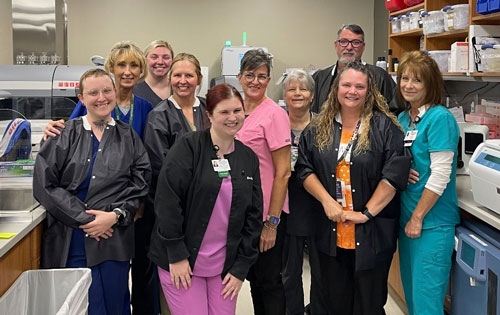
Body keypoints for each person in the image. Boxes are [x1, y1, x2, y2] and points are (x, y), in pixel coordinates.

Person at [33, 68, 151, 315]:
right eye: (93, 92)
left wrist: (115, 215)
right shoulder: (63, 134)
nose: (101, 97)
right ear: (81, 98)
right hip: (72, 238)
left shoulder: (128, 136)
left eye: (107, 90)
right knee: (80, 305)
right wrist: (88, 220)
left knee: (115, 303)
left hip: (114, 238)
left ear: (115, 92)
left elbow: (140, 182)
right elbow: (45, 185)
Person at [295, 61, 410, 315]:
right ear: (336, 88)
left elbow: (393, 175)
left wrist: (366, 213)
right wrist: (327, 202)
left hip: (371, 234)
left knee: (368, 304)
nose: (352, 91)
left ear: (369, 91)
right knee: (330, 301)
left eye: (360, 86)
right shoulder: (317, 129)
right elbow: (305, 168)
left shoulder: (385, 128)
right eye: (347, 84)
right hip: (329, 232)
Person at [148, 83, 263, 315]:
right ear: (209, 115)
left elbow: (253, 216)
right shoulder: (188, 148)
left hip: (224, 265)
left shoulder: (247, 157)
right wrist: (177, 254)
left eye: (237, 111)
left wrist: (241, 266)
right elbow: (167, 203)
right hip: (182, 260)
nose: (232, 118)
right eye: (224, 112)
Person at [142, 52, 207, 314]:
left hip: (210, 208)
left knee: (203, 270)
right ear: (170, 78)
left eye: (189, 75)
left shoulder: (209, 109)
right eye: (177, 75)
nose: (183, 80)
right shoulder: (160, 116)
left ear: (199, 79)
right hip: (175, 208)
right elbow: (163, 167)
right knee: (176, 280)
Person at [396, 51, 460, 315]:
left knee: (427, 305)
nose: (409, 85)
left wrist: (418, 217)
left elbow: (441, 173)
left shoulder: (440, 118)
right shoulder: (403, 119)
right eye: (405, 78)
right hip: (406, 220)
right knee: (413, 298)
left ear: (430, 84)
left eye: (417, 80)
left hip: (431, 224)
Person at [235, 49, 291, 315]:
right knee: (254, 280)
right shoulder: (236, 110)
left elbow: (283, 172)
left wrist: (272, 222)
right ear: (240, 77)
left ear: (269, 80)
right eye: (250, 75)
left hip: (267, 212)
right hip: (241, 212)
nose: (255, 81)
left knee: (269, 282)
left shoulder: (275, 115)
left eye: (262, 76)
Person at [281, 69, 328, 315]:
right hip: (287, 204)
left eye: (303, 89)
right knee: (290, 271)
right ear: (284, 95)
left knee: (322, 271)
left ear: (312, 95)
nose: (297, 93)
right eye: (292, 89)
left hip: (320, 205)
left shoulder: (325, 124)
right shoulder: (276, 123)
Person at [45, 40, 153, 139]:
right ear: (111, 68)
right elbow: (68, 132)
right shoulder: (95, 101)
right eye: (121, 65)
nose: (128, 72)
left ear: (141, 70)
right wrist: (53, 128)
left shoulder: (145, 108)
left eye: (134, 66)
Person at [311, 24, 398, 114]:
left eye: (355, 42)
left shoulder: (380, 76)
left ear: (363, 47)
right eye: (343, 41)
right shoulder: (319, 78)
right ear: (336, 45)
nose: (349, 47)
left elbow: (393, 112)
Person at [134, 40, 174, 106]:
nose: (160, 62)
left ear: (172, 61)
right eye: (154, 57)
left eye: (166, 57)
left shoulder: (178, 88)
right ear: (145, 59)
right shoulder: (134, 90)